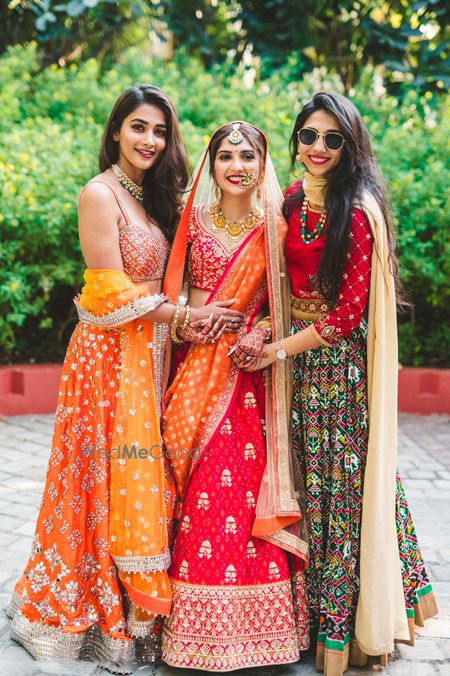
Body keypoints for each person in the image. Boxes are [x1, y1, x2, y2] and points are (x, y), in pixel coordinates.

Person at [7, 84, 243, 673]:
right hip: (108, 362)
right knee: (102, 474)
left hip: (150, 354)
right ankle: (92, 607)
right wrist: (190, 317)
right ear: (116, 130)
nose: (150, 140)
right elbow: (108, 292)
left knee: (139, 474)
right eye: (138, 127)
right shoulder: (99, 194)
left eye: (160, 131)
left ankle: (138, 608)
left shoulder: (150, 194)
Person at [244, 92, 438, 674]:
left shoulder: (358, 211)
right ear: (296, 139)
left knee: (343, 494)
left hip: (340, 371)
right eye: (309, 136)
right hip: (296, 367)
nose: (319, 148)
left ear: (351, 146)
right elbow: (274, 282)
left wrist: (276, 348)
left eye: (333, 139)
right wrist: (259, 329)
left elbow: (344, 318)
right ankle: (307, 621)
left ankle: (350, 631)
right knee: (306, 488)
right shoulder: (291, 201)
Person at [160, 121, 309, 672]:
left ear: (264, 162)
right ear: (211, 164)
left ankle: (259, 635)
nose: (237, 166)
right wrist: (185, 325)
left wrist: (262, 334)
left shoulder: (277, 228)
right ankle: (188, 634)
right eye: (226, 156)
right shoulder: (191, 223)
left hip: (247, 380)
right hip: (192, 373)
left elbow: (286, 309)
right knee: (188, 487)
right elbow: (167, 301)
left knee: (240, 494)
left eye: (248, 155)